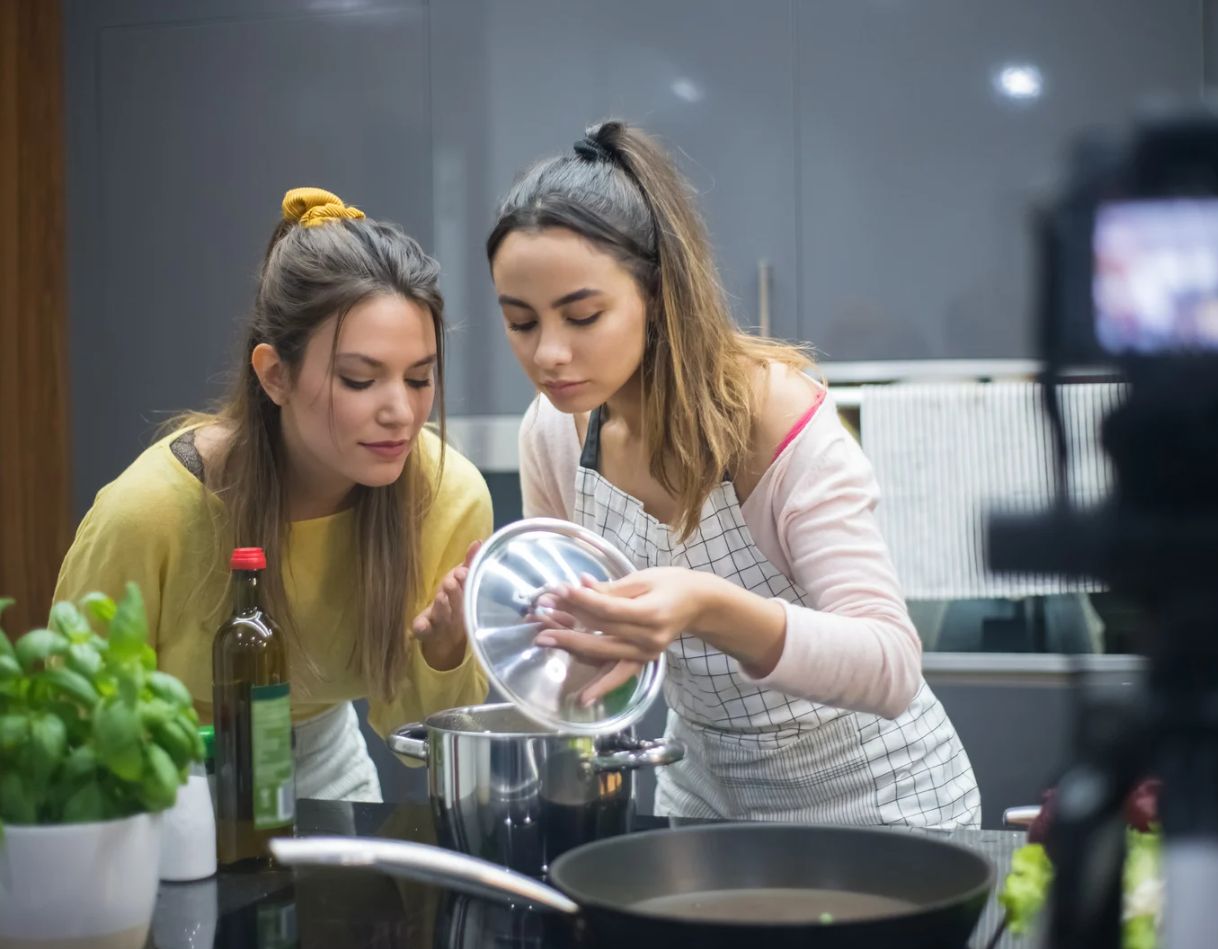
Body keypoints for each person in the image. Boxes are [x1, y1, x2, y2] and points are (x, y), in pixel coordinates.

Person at [489, 122, 982, 826]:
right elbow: (584, 655)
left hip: (882, 806)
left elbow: (890, 665)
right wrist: (501, 620)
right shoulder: (554, 433)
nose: (550, 355)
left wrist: (709, 606)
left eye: (583, 315)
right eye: (521, 322)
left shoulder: (776, 417)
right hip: (705, 800)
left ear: (655, 295)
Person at [55, 188, 491, 801]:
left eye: (420, 378)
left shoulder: (446, 496)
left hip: (326, 768)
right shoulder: (148, 513)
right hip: (166, 780)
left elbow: (422, 744)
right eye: (360, 379)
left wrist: (445, 651)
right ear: (274, 375)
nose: (402, 412)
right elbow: (74, 728)